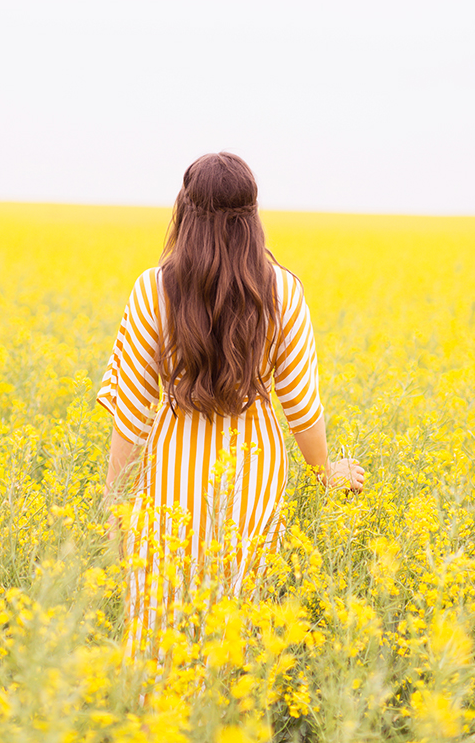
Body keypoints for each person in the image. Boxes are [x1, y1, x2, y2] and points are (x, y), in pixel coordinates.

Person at [97, 152, 364, 649]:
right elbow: (302, 407)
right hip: (254, 484)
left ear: (184, 211)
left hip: (169, 486)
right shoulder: (282, 291)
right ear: (253, 219)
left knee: (160, 630)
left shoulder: (152, 290)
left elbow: (129, 419)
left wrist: (116, 510)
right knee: (235, 634)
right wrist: (327, 472)